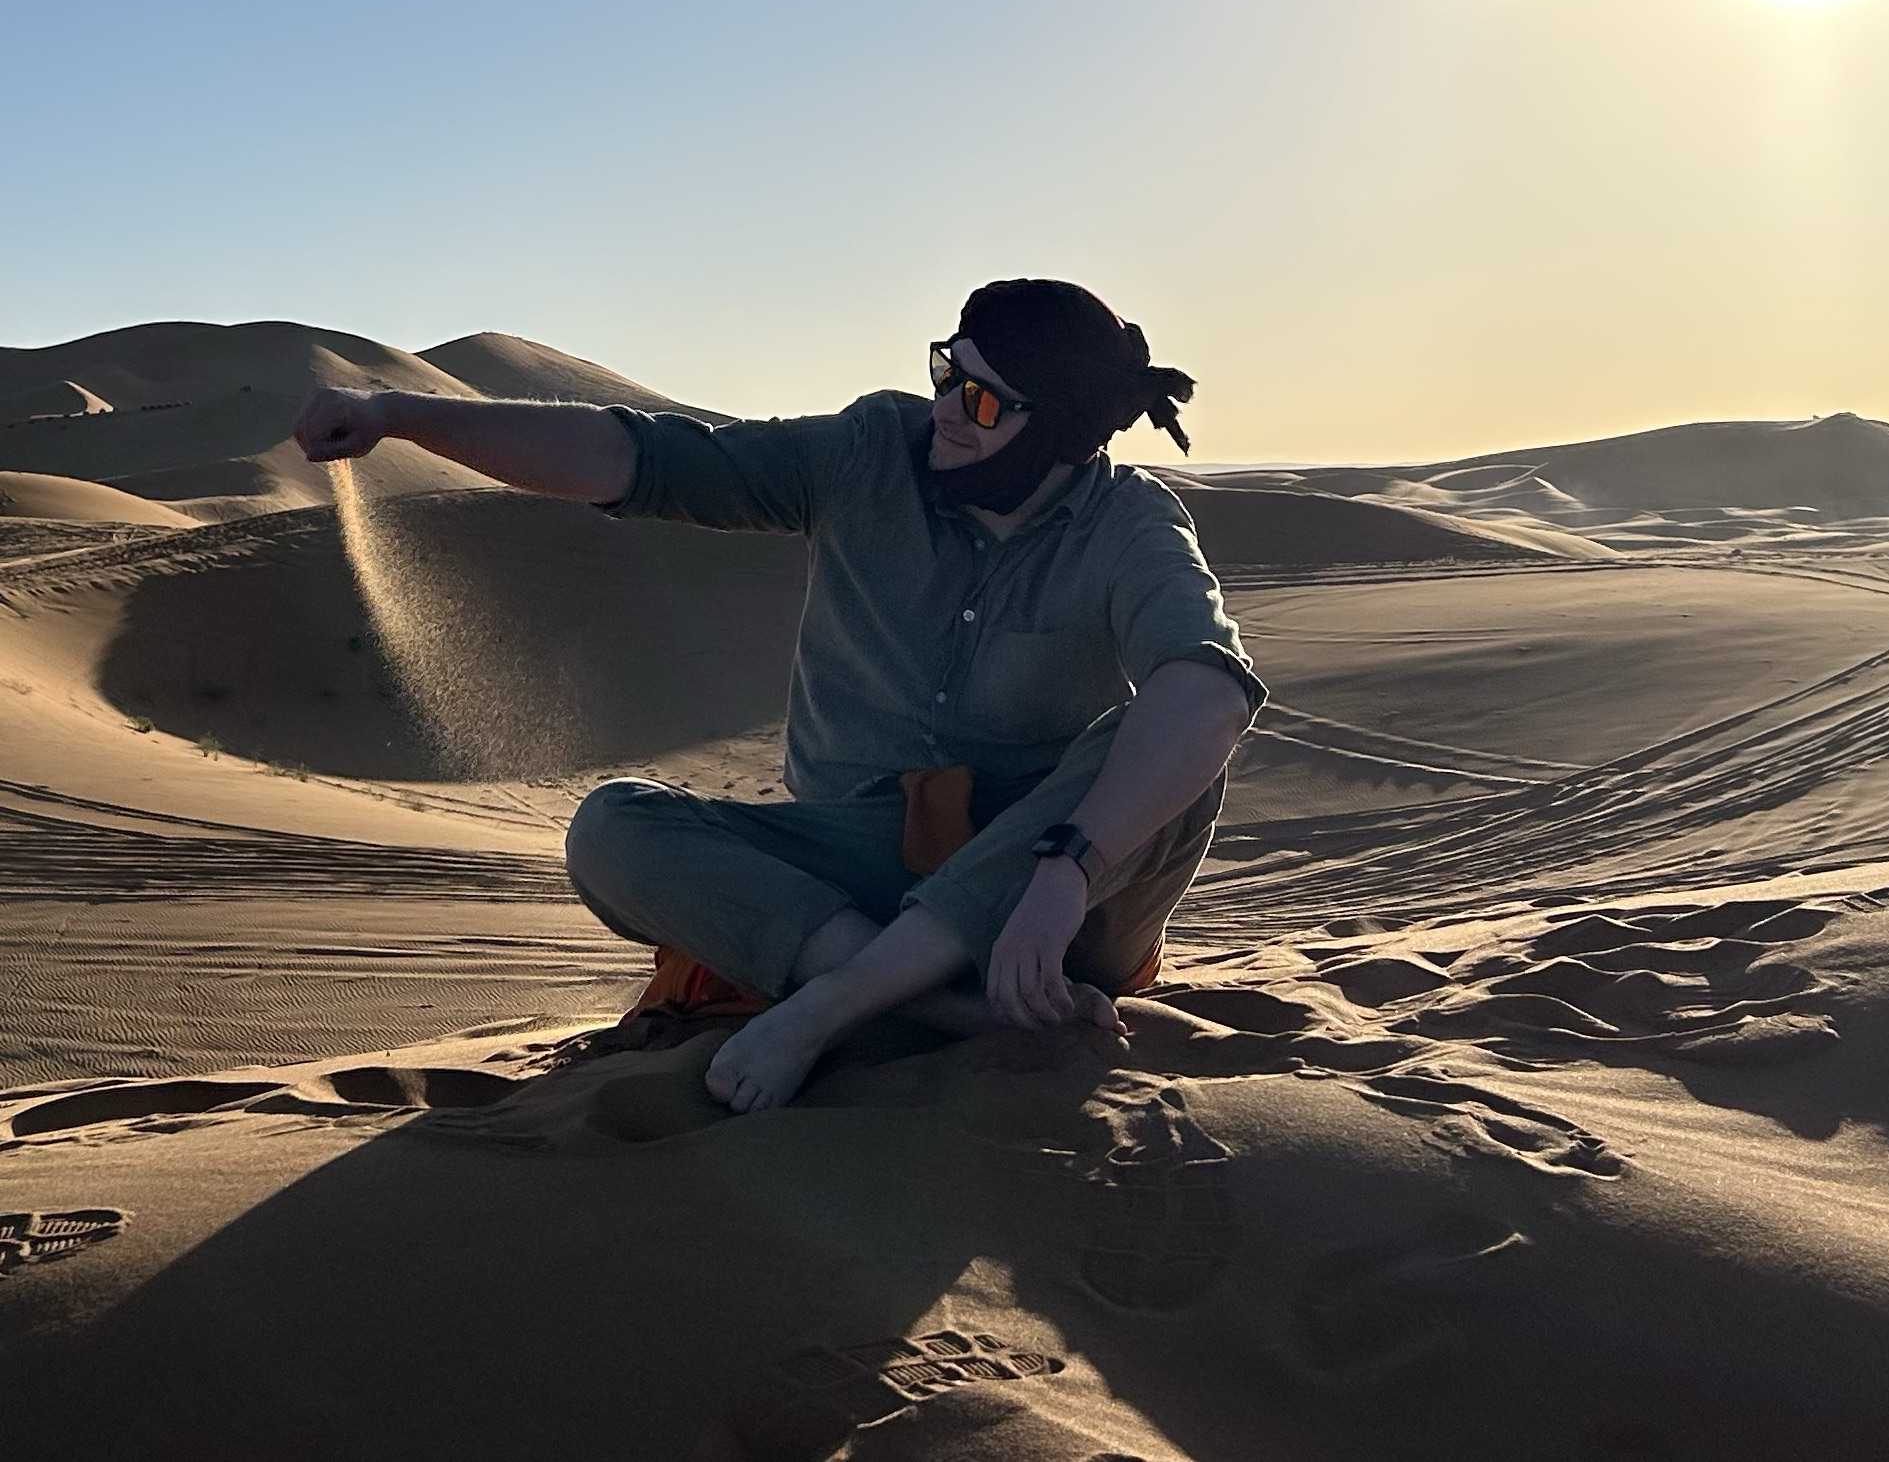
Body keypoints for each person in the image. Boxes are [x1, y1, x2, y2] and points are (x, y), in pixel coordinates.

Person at [291, 278, 1266, 1113]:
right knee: (612, 829)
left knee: (1166, 739)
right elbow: (640, 458)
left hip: (1040, 916)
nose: (943, 409)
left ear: (1052, 430)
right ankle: (932, 1006)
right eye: (944, 371)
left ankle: (835, 1003)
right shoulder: (869, 452)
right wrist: (398, 415)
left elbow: (1208, 687)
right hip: (858, 867)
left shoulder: (1129, 525)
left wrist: (1064, 871)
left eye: (979, 401)